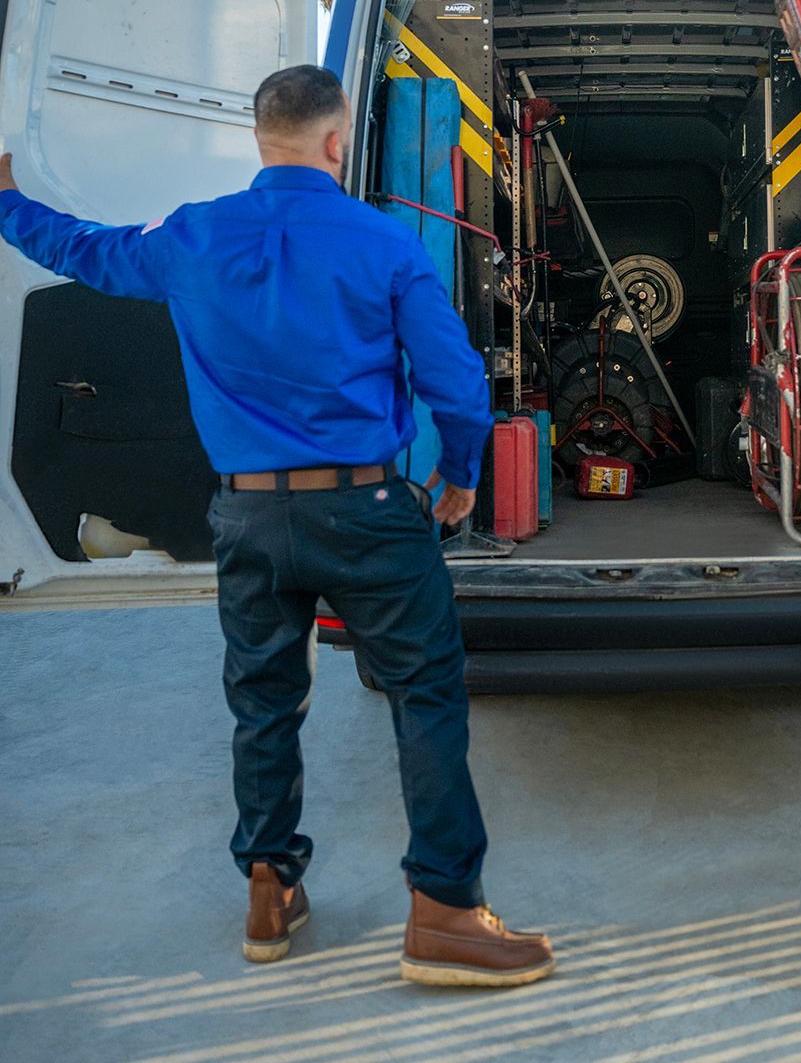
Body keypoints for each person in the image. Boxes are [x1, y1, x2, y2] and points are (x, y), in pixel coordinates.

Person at [0, 65, 554, 986]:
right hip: (367, 511)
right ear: (336, 142)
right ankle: (447, 915)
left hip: (247, 514)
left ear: (261, 139)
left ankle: (270, 893)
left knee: (262, 703)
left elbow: (81, 249)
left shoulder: (191, 236)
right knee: (424, 697)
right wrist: (460, 478)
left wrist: (8, 201)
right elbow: (456, 381)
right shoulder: (384, 244)